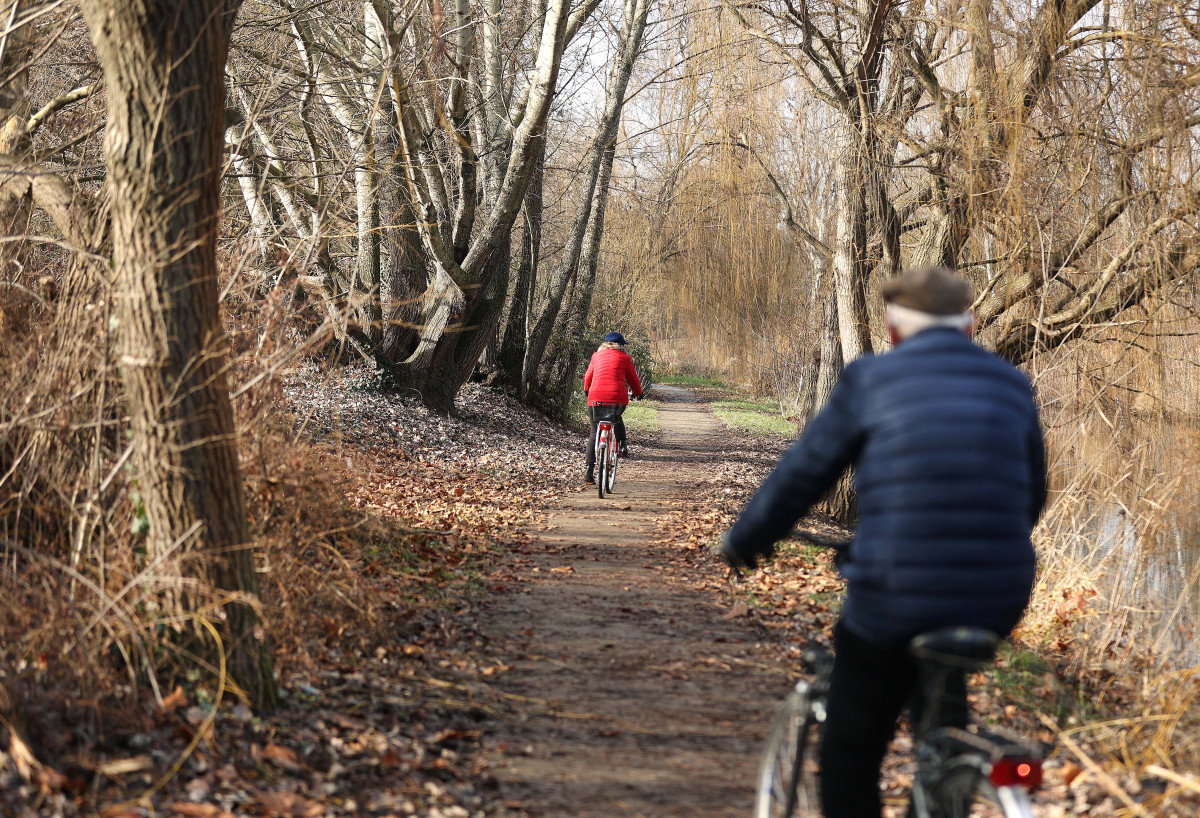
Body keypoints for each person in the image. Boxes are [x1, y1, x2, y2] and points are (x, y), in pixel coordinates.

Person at [720, 266, 1046, 818]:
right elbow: (1032, 496)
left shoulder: (872, 379)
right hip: (1000, 592)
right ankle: (948, 771)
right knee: (940, 716)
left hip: (895, 590)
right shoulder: (1011, 384)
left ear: (894, 332)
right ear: (968, 329)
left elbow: (804, 475)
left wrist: (748, 538)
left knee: (852, 747)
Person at [582, 331, 644, 485]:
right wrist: (638, 393)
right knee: (616, 418)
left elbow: (588, 376)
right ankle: (622, 445)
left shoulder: (596, 356)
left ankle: (589, 470)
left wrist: (586, 389)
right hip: (616, 400)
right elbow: (633, 379)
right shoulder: (624, 358)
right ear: (621, 345)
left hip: (595, 398)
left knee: (594, 431)